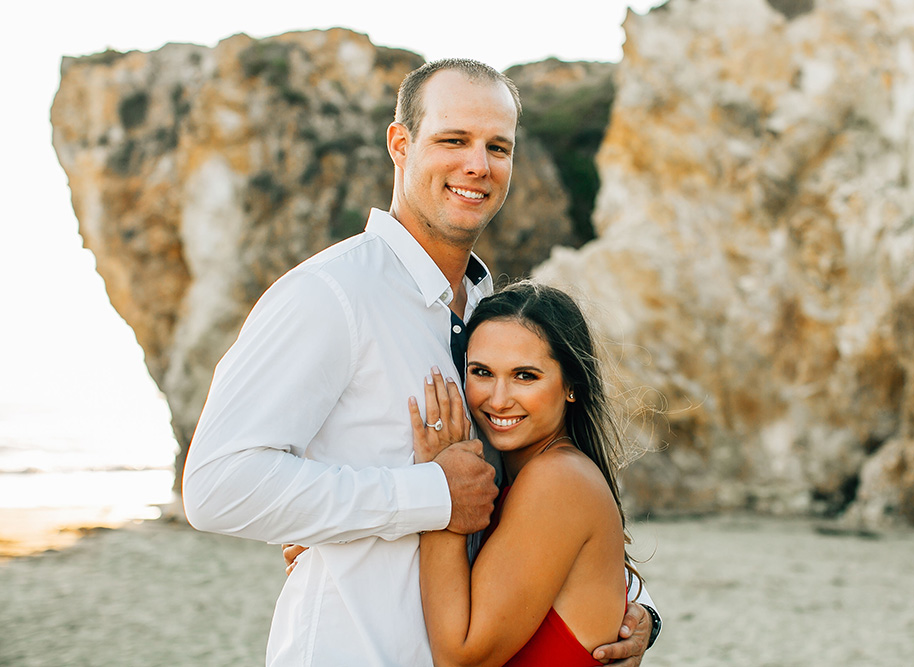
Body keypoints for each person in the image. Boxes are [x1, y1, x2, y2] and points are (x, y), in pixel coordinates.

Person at [183, 58, 658, 666]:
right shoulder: (332, 295)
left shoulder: (494, 317)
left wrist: (634, 607)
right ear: (400, 144)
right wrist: (427, 494)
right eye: (453, 140)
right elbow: (216, 485)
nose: (477, 166)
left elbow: (539, 495)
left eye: (498, 147)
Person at [415, 280, 644, 666]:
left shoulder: (559, 480)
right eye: (482, 372)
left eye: (525, 376)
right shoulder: (531, 478)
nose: (499, 399)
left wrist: (443, 490)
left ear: (571, 386)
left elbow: (460, 659)